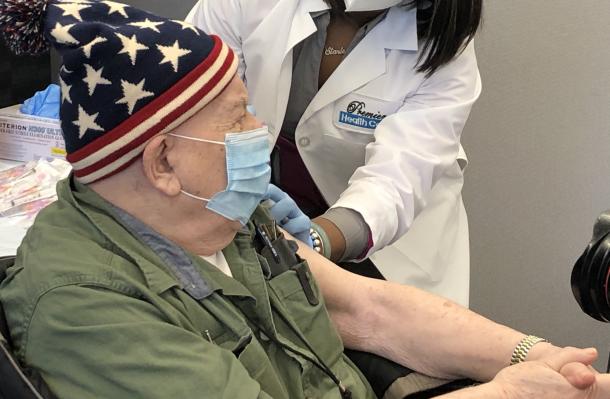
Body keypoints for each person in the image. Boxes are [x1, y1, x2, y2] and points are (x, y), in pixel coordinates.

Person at [0, 1, 609, 398]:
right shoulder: (89, 304)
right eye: (240, 120)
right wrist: (503, 395)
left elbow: (370, 309)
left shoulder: (225, 218)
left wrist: (546, 359)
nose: (259, 137)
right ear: (161, 161)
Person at [186, 0, 482, 306]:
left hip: (382, 243)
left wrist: (318, 240)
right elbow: (198, 103)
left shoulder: (445, 49)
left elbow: (395, 181)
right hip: (245, 210)